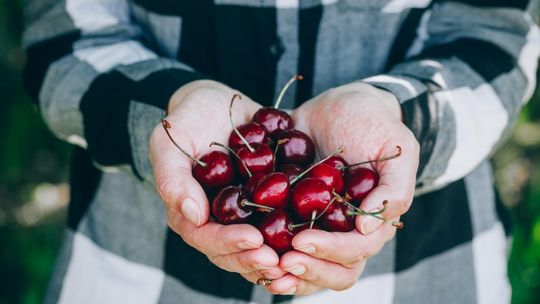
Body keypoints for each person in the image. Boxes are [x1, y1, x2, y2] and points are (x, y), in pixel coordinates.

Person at [22, 0, 540, 303]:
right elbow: (63, 40)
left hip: (422, 277)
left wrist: (405, 116)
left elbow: (494, 39)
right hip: (139, 274)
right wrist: (164, 109)